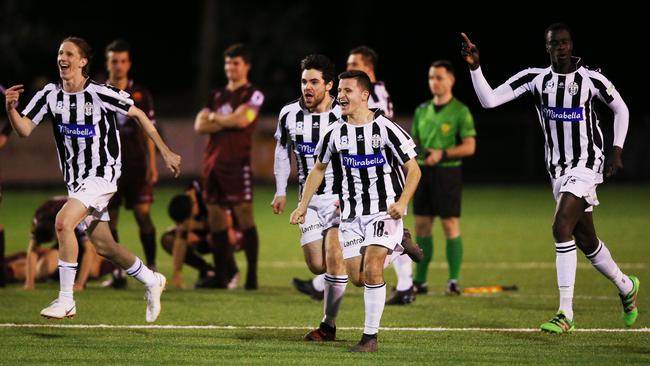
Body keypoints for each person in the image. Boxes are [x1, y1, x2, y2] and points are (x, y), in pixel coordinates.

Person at [461, 23, 639, 333]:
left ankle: (565, 312)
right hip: (557, 170)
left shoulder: (590, 79)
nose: (561, 47)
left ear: (572, 45)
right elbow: (489, 100)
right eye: (555, 43)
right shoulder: (535, 79)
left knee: (560, 227)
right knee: (586, 240)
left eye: (566, 42)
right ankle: (626, 286)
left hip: (586, 165)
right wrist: (476, 68)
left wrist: (616, 150)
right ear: (547, 47)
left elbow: (621, 109)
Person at [4, 37, 181, 321]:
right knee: (104, 246)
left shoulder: (101, 93)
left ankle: (66, 300)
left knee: (63, 222)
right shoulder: (50, 95)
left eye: (70, 54)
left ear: (83, 61)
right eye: (60, 52)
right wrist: (11, 110)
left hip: (103, 174)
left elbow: (139, 115)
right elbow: (23, 130)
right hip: (76, 181)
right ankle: (152, 280)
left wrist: (166, 152)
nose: (63, 58)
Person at [291, 70, 421, 352]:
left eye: (347, 91)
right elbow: (319, 169)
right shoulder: (334, 132)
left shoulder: (386, 128)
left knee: (373, 269)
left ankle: (369, 338)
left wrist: (402, 203)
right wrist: (302, 206)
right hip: (351, 216)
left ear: (364, 95)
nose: (341, 96)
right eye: (339, 90)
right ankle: (398, 246)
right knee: (358, 278)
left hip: (383, 212)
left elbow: (413, 170)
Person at [272, 54, 347, 340]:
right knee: (317, 264)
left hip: (340, 198)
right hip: (308, 201)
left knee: (336, 258)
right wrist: (281, 190)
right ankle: (388, 246)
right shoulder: (289, 114)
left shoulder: (344, 114)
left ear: (329, 85)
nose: (308, 87)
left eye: (314, 82)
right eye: (304, 81)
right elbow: (282, 151)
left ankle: (328, 326)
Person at [194, 44, 264, 290]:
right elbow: (200, 126)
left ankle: (252, 277)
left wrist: (216, 118)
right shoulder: (216, 94)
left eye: (235, 63)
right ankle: (222, 277)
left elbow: (243, 119)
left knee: (244, 216)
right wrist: (227, 120)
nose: (230, 68)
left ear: (246, 66)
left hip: (237, 163)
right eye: (227, 63)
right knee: (216, 219)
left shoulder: (253, 93)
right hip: (212, 163)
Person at [411, 60, 476, 296]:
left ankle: (453, 280)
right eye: (431, 78)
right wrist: (420, 154)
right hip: (422, 172)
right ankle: (420, 281)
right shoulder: (421, 110)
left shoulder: (460, 111)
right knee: (422, 226)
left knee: (450, 224)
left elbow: (470, 146)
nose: (434, 82)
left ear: (451, 80)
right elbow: (414, 143)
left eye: (439, 77)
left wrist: (443, 153)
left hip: (448, 173)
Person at [104, 39, 159, 271]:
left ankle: (153, 267)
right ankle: (116, 272)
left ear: (129, 64)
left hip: (136, 165)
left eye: (123, 61)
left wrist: (153, 164)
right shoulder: (99, 92)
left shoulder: (140, 94)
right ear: (108, 64)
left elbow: (149, 130)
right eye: (114, 61)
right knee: (111, 219)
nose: (119, 65)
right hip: (108, 167)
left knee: (142, 214)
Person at [162, 180, 240, 289]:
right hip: (208, 234)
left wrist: (198, 226)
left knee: (217, 236)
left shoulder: (208, 192)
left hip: (234, 232)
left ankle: (231, 272)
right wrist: (177, 273)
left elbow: (227, 222)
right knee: (169, 239)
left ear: (194, 204)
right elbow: (180, 239)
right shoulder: (186, 202)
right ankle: (207, 270)